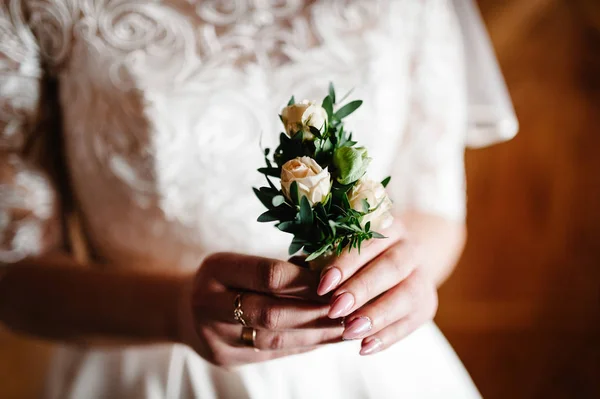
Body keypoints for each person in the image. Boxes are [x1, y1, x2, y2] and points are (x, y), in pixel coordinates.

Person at [0, 0, 517, 397]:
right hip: (148, 370)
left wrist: (404, 273)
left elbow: (435, 213)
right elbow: (13, 271)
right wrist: (176, 312)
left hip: (368, 362)